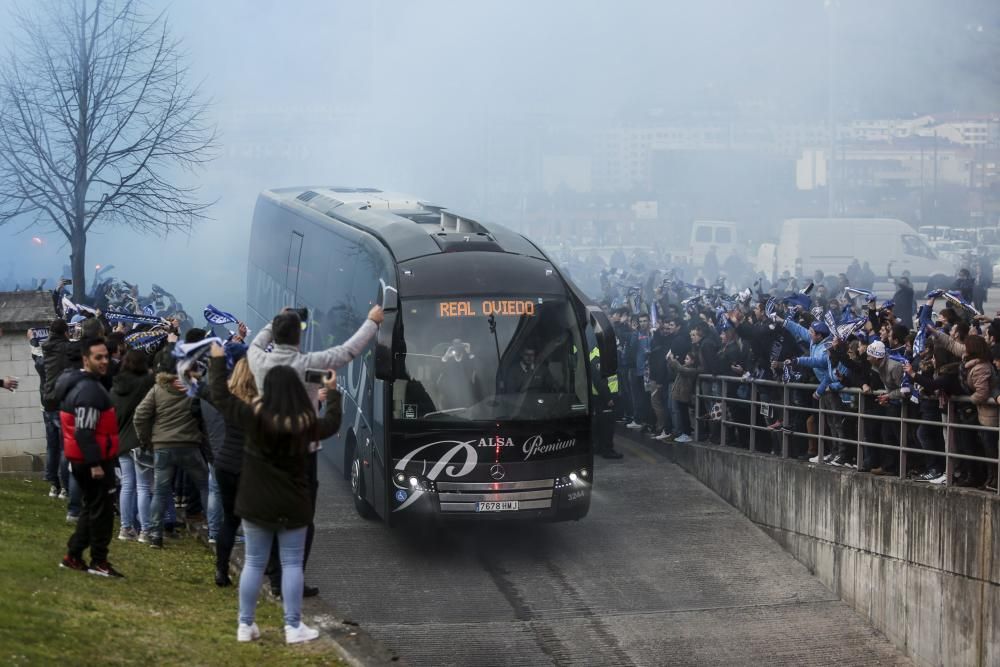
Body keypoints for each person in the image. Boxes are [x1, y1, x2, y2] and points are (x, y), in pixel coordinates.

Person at [207, 343, 342, 644]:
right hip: (292, 501)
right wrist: (331, 393)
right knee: (292, 563)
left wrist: (217, 363)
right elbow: (331, 423)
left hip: (255, 499)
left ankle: (245, 624)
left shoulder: (252, 417)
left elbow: (220, 396)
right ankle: (293, 626)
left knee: (254, 562)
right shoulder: (303, 424)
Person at [248, 305, 383, 599]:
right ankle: (293, 576)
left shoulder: (258, 360)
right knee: (302, 521)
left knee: (271, 517)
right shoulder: (310, 366)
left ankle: (275, 580)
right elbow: (348, 352)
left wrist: (276, 320)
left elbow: (257, 342)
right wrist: (372, 322)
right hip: (302, 453)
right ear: (299, 337)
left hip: (269, 451)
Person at [56, 337, 124, 577]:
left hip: (83, 457)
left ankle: (73, 556)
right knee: (102, 512)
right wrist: (95, 463)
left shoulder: (81, 384)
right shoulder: (89, 391)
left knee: (92, 509)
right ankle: (99, 561)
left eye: (106, 356)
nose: (105, 361)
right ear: (86, 359)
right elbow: (84, 430)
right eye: (99, 357)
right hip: (92, 460)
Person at [132, 348, 211, 549]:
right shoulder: (193, 388)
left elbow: (140, 415)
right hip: (190, 445)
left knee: (159, 491)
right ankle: (213, 528)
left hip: (163, 447)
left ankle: (155, 535)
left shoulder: (158, 389)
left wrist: (147, 439)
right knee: (204, 484)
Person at [109, 349, 155, 542]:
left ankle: (125, 528)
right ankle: (145, 530)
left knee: (127, 484)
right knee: (144, 486)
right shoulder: (145, 383)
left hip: (122, 441)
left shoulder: (115, 387)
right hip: (140, 441)